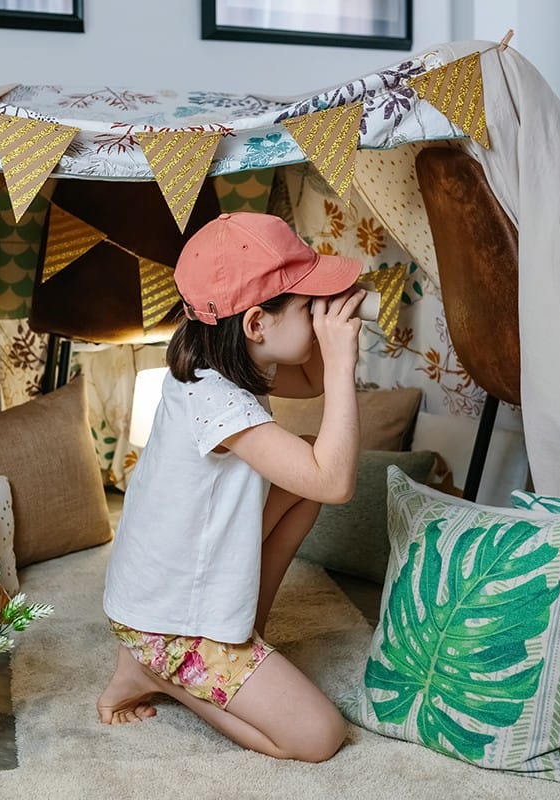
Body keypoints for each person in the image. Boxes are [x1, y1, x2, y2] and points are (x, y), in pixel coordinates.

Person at [98, 211, 366, 762]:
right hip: (167, 617)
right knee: (318, 736)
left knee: (303, 477)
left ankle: (240, 633)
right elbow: (335, 479)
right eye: (306, 302)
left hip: (169, 583)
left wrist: (329, 321)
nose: (319, 311)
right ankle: (164, 673)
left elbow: (309, 382)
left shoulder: (217, 353)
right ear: (256, 323)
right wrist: (342, 360)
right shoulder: (216, 398)